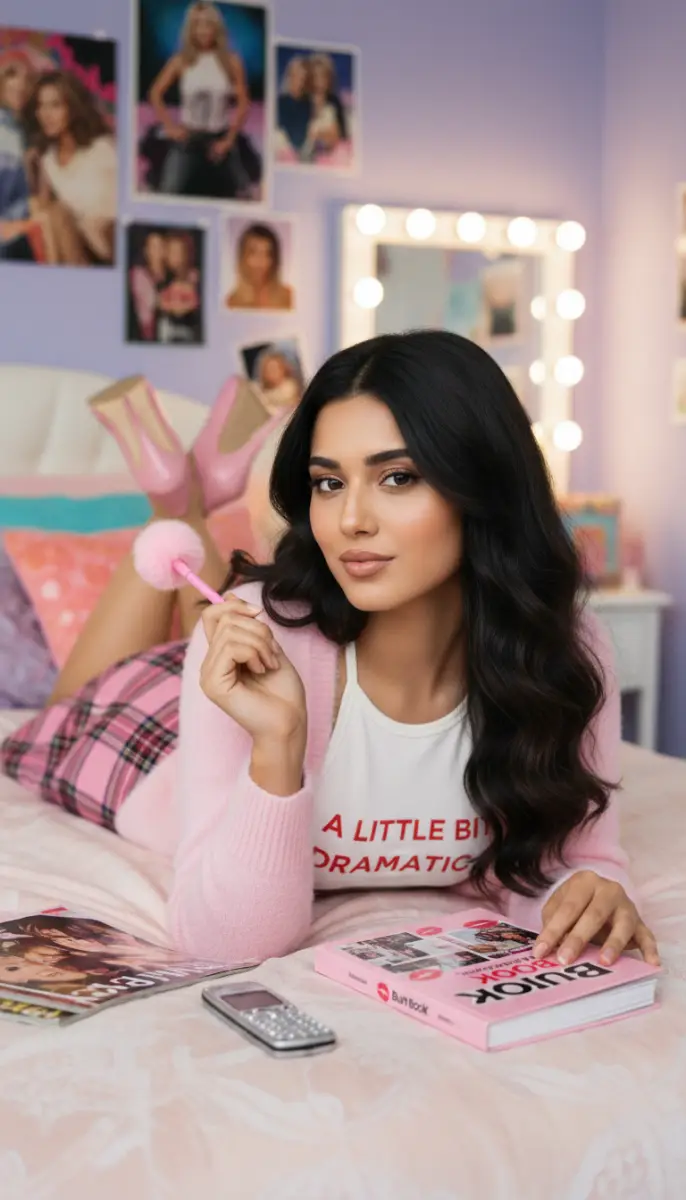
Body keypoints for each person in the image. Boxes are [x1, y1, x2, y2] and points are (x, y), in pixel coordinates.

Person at [0, 332, 660, 975]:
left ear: (484, 487)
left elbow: (575, 860)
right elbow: (227, 944)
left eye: (397, 477)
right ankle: (173, 506)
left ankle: (187, 500)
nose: (350, 522)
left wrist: (587, 891)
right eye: (328, 483)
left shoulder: (565, 650)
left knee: (219, 620)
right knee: (58, 715)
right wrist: (277, 747)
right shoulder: (265, 634)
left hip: (263, 660)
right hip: (150, 741)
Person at [149, 0, 252, 199]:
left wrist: (229, 140)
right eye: (198, 24)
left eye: (208, 24)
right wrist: (170, 127)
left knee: (243, 196)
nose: (204, 30)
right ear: (191, 29)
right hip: (189, 138)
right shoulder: (180, 60)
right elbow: (155, 93)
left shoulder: (231, 61)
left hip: (220, 139)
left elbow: (243, 103)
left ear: (216, 28)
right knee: (168, 192)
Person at [23, 69, 117, 265]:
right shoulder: (48, 160)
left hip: (112, 250)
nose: (46, 114)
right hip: (78, 252)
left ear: (73, 107)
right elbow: (41, 214)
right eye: (40, 106)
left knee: (58, 214)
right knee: (49, 212)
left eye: (55, 105)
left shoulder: (102, 149)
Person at [0, 62, 35, 261]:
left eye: (27, 78)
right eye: (12, 74)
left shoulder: (28, 133)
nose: (21, 84)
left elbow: (27, 197)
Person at [226, 222, 294, 310]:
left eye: (267, 254)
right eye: (254, 253)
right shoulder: (231, 303)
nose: (261, 262)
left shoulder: (289, 297)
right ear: (243, 258)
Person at [301, 52, 346, 164]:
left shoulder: (334, 103)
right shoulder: (303, 100)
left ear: (329, 78)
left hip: (330, 154)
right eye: (316, 76)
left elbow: (341, 133)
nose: (319, 81)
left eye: (323, 76)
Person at [157, 231, 202, 344]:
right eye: (172, 252)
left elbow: (196, 301)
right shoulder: (163, 280)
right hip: (170, 330)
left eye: (180, 252)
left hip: (190, 329)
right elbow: (161, 303)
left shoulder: (195, 277)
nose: (176, 257)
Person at [128, 229, 169, 341]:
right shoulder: (138, 275)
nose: (157, 251)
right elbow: (154, 303)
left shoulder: (171, 275)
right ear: (146, 250)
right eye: (153, 247)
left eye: (161, 246)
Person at [276, 55, 311, 157]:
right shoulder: (280, 103)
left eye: (303, 78)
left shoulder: (309, 104)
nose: (300, 82)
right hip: (285, 151)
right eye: (297, 76)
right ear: (289, 77)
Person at [251, 347, 302, 414]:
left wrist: (261, 396)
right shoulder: (263, 389)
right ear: (264, 373)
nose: (274, 372)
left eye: (277, 368)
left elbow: (276, 403)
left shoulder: (289, 386)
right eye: (270, 369)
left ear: (284, 369)